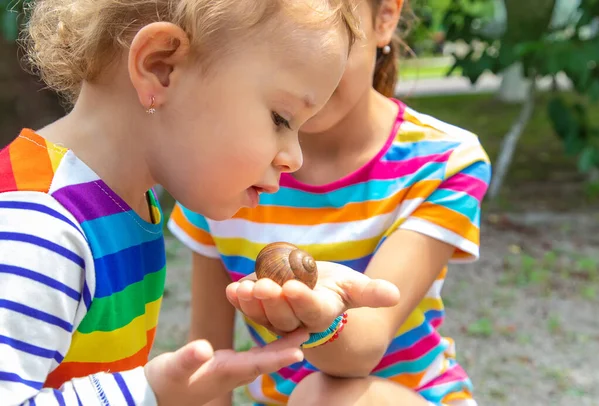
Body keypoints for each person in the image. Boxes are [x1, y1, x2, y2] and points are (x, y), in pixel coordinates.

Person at [0, 0, 397, 405]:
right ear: (160, 67)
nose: (294, 158)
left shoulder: (125, 206)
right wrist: (150, 393)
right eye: (281, 118)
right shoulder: (40, 229)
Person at [167, 0, 493, 405]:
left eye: (331, 29)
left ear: (385, 17)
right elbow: (209, 357)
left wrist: (320, 319)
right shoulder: (220, 169)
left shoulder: (444, 161)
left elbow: (366, 342)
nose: (303, 71)